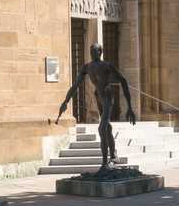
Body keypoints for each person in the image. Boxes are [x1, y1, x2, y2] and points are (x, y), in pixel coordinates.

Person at [57, 43, 136, 174]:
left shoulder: (106, 65)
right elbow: (75, 85)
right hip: (98, 96)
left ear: (100, 52)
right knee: (107, 127)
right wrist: (65, 101)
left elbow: (123, 81)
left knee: (102, 127)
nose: (92, 53)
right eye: (91, 50)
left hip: (107, 96)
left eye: (95, 51)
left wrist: (129, 107)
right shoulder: (87, 67)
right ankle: (113, 155)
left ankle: (105, 163)